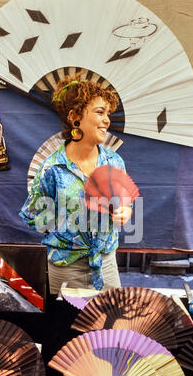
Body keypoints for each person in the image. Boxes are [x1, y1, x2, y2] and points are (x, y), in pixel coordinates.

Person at [19, 73, 133, 295]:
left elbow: (125, 201)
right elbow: (34, 217)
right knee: (68, 328)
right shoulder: (52, 169)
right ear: (75, 117)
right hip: (66, 269)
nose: (107, 120)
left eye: (107, 113)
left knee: (109, 328)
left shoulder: (114, 162)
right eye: (100, 112)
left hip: (106, 265)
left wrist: (125, 210)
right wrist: (69, 224)